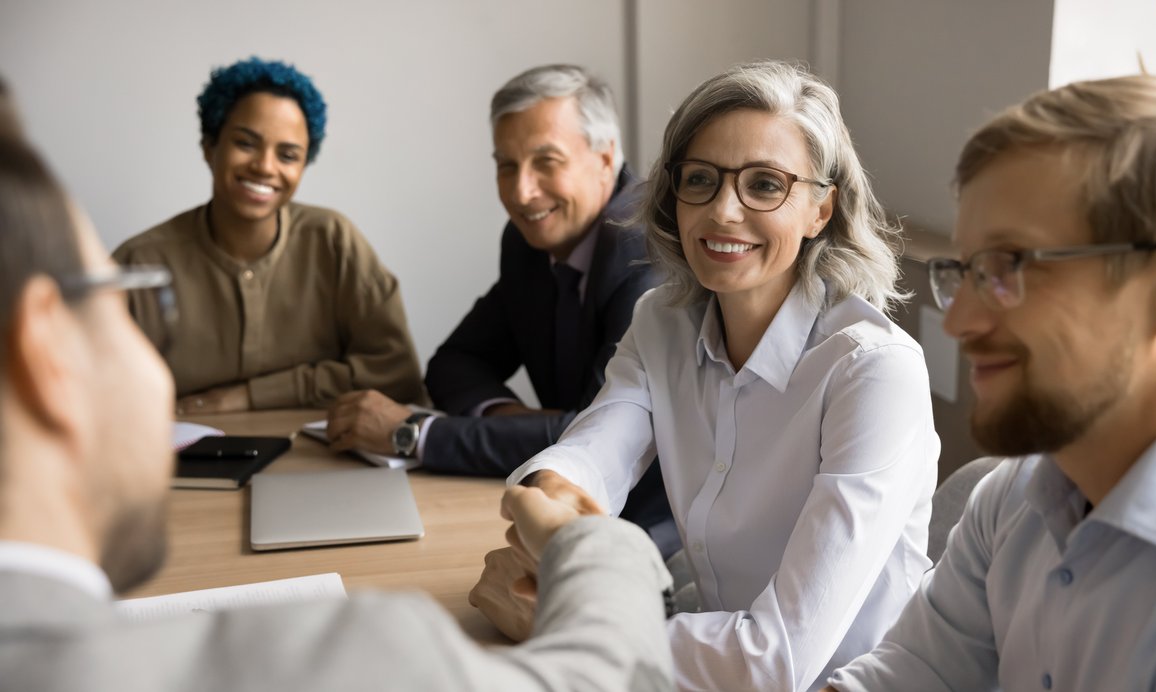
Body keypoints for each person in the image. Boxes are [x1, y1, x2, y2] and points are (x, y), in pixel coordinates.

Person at [0, 92, 674, 692]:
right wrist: (588, 544)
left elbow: (578, 420)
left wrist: (544, 447)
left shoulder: (637, 257)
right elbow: (613, 675)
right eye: (121, 301)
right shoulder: (360, 652)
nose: (522, 191)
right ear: (44, 352)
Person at [488, 61, 939, 691]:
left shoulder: (873, 371)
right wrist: (549, 497)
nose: (723, 211)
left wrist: (574, 624)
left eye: (765, 185)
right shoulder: (661, 322)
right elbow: (596, 449)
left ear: (820, 209)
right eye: (700, 179)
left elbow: (776, 658)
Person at [825, 76, 1156, 691]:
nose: (958, 323)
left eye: (1008, 266)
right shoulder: (1018, 493)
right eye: (967, 270)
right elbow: (911, 674)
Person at [324, 64, 676, 552]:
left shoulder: (644, 250)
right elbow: (455, 362)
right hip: (554, 504)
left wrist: (414, 434)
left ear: (604, 158)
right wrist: (516, 420)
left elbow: (591, 434)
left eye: (546, 161)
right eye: (506, 165)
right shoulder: (528, 241)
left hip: (653, 535)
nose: (521, 192)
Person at [114, 57, 425, 414]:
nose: (264, 166)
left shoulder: (334, 242)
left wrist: (248, 396)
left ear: (303, 166)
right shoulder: (139, 264)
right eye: (245, 143)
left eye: (288, 155)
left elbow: (396, 373)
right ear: (209, 146)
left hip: (318, 448)